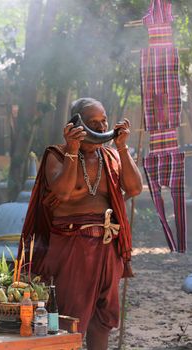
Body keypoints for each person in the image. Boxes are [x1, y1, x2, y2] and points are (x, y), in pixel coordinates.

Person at [19, 98, 142, 350]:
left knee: (103, 319)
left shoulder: (111, 156)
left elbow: (134, 188)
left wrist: (122, 147)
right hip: (72, 247)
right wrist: (73, 150)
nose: (101, 126)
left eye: (103, 120)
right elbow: (62, 192)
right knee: (69, 320)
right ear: (76, 123)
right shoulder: (57, 154)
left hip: (108, 246)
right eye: (93, 121)